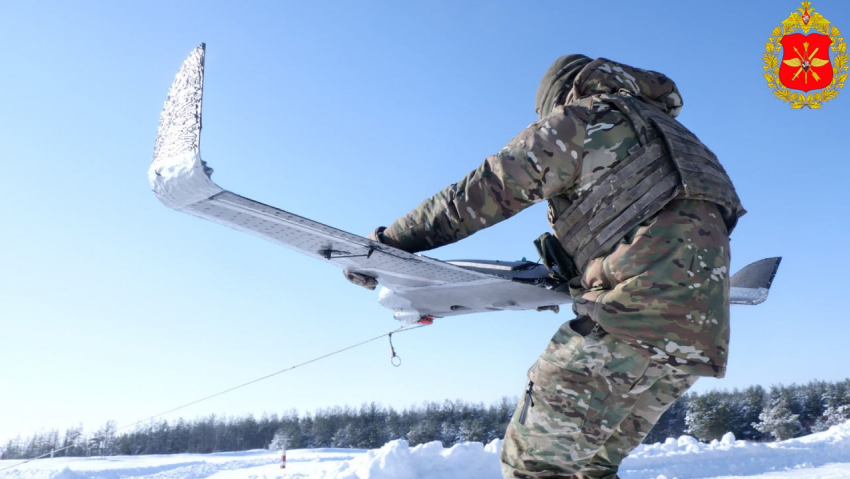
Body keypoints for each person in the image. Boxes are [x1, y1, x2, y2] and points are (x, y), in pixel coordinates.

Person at [350, 55, 745, 478]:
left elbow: (480, 193)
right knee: (590, 468)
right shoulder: (681, 140)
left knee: (534, 465)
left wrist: (390, 242)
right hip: (698, 338)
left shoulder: (584, 120)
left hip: (631, 321)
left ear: (560, 95)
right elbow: (675, 227)